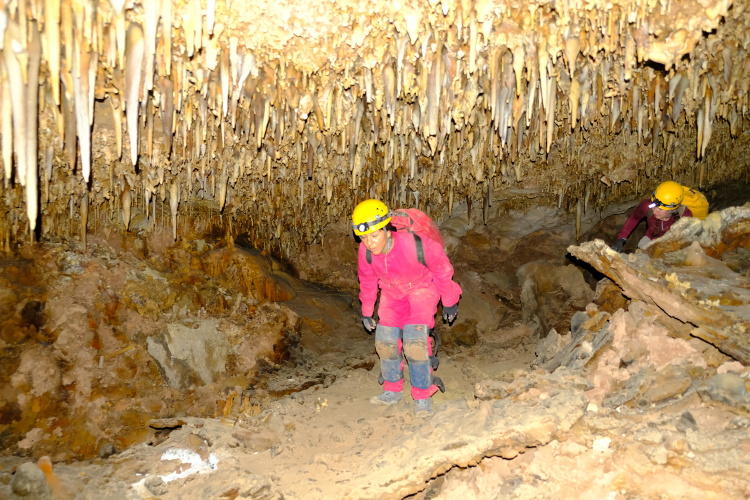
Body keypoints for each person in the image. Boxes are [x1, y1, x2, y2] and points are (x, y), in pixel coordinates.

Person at [352, 199, 462, 417]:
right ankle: (392, 390)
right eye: (364, 237)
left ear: (388, 230)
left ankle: (422, 395)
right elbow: (367, 281)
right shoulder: (365, 253)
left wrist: (450, 300)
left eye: (374, 235)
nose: (370, 243)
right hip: (392, 293)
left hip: (421, 289)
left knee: (414, 341)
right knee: (385, 340)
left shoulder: (415, 243)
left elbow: (441, 269)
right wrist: (366, 311)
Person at [611, 180, 709, 251]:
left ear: (673, 209)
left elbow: (686, 239)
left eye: (660, 209)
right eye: (654, 206)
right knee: (642, 247)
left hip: (672, 243)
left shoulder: (685, 216)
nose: (654, 211)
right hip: (651, 236)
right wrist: (621, 238)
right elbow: (634, 218)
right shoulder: (647, 206)